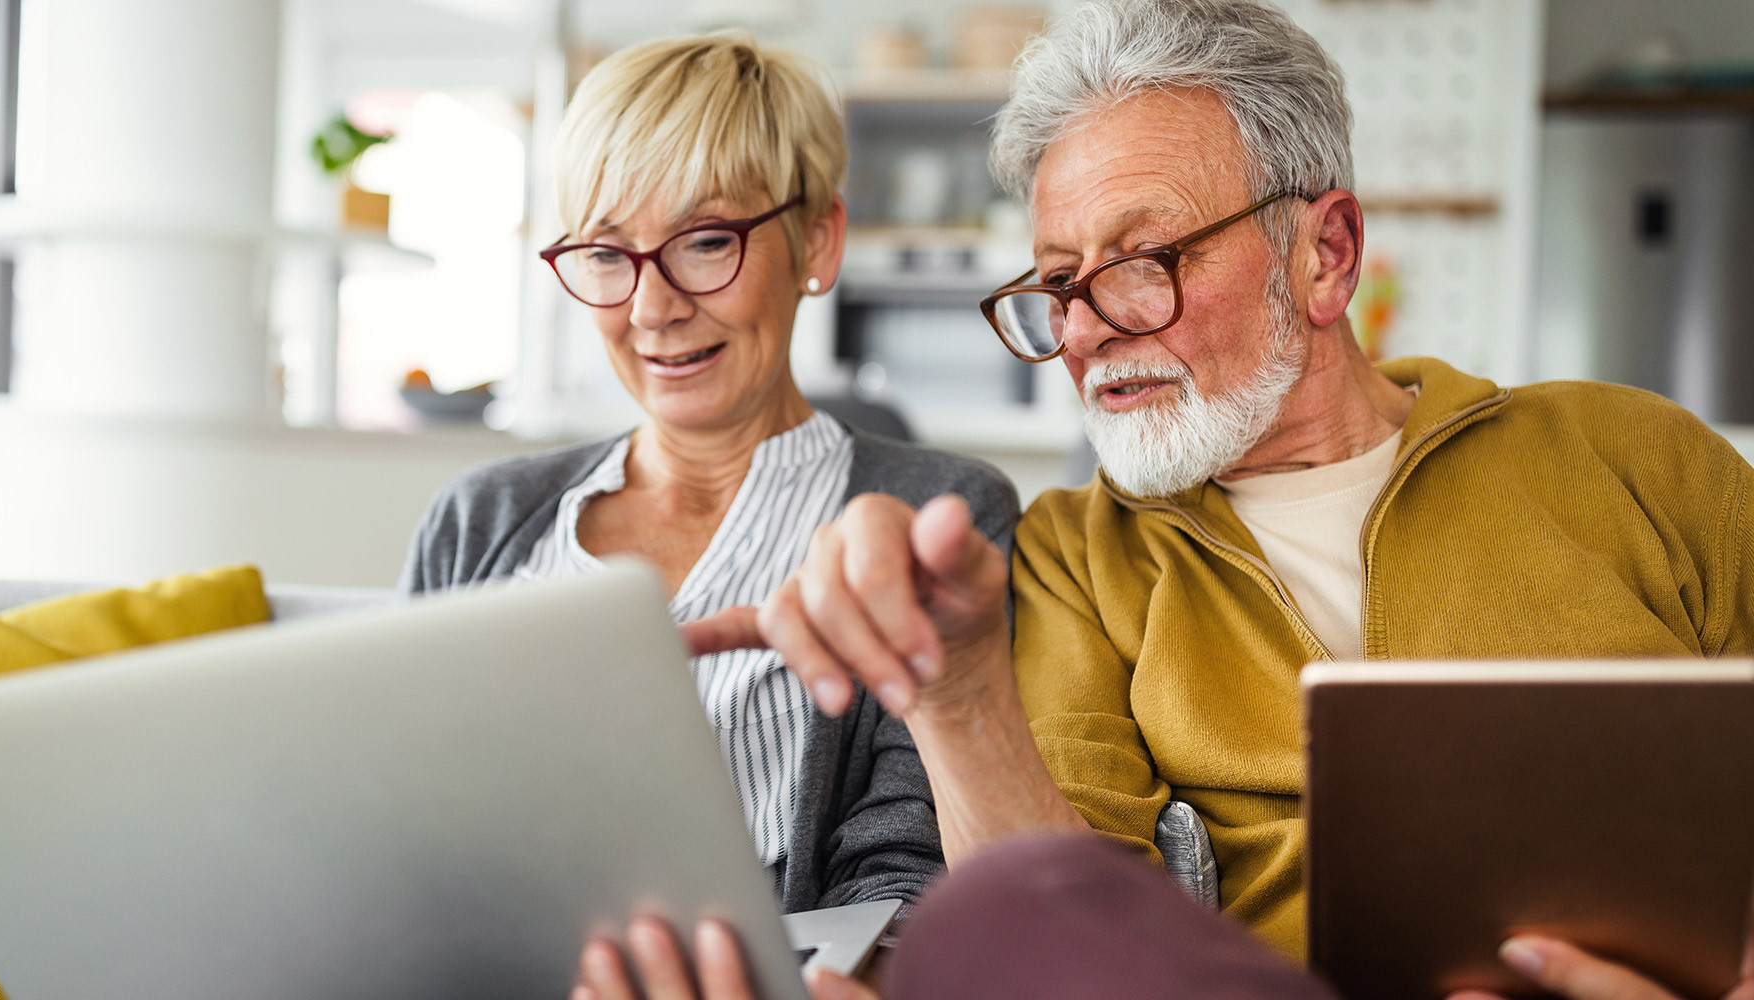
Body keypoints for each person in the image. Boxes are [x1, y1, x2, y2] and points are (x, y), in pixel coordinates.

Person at [571, 0, 1754, 997]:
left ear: (1324, 254)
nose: (1084, 330)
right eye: (1055, 283)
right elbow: (1056, 930)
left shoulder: (1632, 457)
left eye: (1143, 262)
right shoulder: (1076, 556)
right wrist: (958, 693)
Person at [399, 32, 1018, 914]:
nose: (652, 307)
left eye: (705, 241)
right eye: (608, 255)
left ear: (817, 241)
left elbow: (905, 885)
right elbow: (395, 824)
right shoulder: (481, 519)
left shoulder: (936, 519)